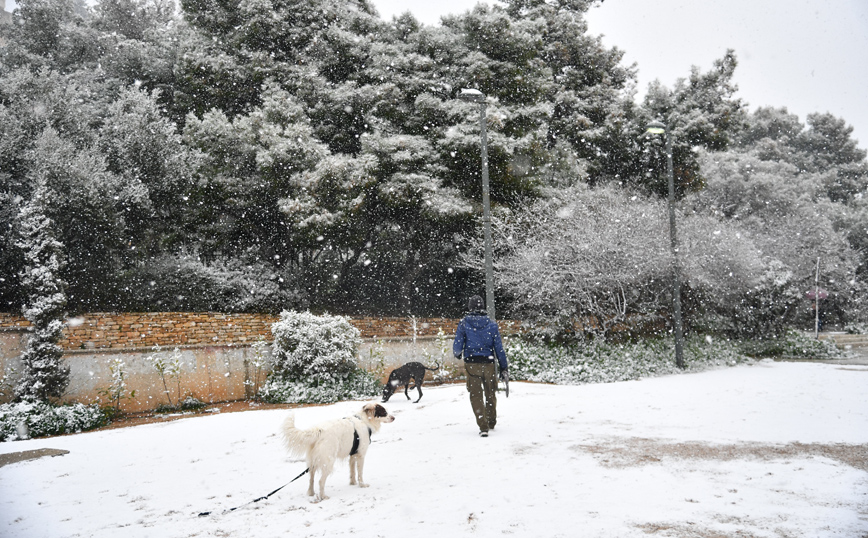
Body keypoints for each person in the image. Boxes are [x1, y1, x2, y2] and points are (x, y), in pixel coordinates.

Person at [452, 295, 508, 437]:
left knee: (476, 395)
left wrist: (458, 353)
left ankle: (483, 426)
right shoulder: (492, 324)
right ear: (482, 306)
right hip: (488, 363)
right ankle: (491, 421)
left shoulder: (464, 323)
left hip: (472, 363)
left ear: (470, 307)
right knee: (490, 392)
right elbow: (499, 348)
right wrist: (503, 366)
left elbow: (458, 344)